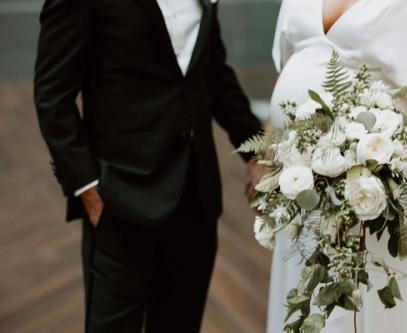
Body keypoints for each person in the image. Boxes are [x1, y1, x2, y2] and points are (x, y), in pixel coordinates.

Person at [267, 0, 407, 332]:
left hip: (375, 193)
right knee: (303, 298)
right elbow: (296, 63)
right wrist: (269, 156)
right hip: (301, 183)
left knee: (371, 303)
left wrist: (398, 153)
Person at [33, 0, 262, 332]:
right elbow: (52, 96)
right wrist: (87, 188)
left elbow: (214, 76)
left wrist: (257, 153)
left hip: (196, 197)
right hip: (121, 198)